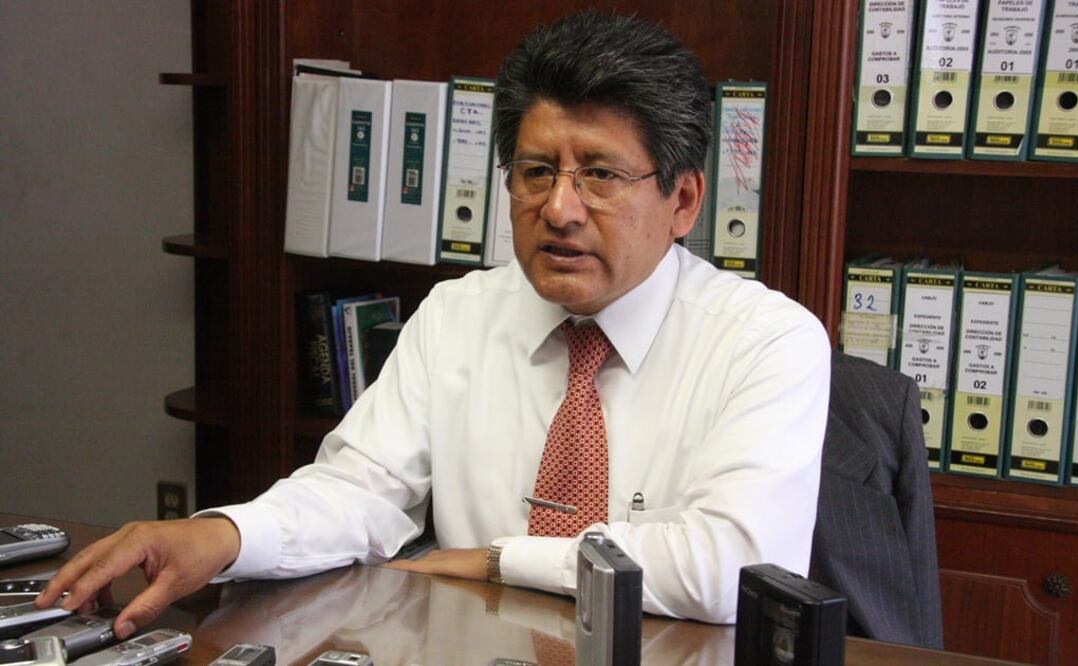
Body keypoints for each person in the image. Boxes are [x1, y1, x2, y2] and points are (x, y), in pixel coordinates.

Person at [38, 10, 829, 637]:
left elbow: (734, 568)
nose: (558, 209)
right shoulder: (458, 313)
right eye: (535, 171)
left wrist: (495, 562)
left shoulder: (766, 342)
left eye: (599, 175)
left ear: (683, 201)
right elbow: (359, 491)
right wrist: (224, 535)